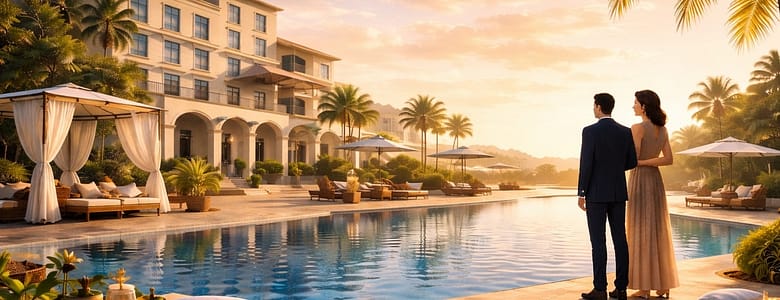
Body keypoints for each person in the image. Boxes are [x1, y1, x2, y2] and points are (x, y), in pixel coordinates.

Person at [578, 93, 637, 300]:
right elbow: (632, 162)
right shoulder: (625, 131)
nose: (593, 108)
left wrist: (581, 192)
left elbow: (586, 164)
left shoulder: (590, 131)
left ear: (599, 107)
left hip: (595, 193)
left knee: (598, 242)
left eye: (594, 105)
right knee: (620, 240)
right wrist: (614, 169)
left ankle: (600, 289)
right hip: (618, 192)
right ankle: (621, 289)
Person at [626, 90, 679, 299]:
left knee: (640, 229)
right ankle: (663, 285)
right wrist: (649, 162)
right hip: (656, 181)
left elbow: (634, 157)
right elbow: (668, 159)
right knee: (657, 230)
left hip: (640, 179)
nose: (633, 106)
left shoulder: (637, 128)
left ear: (644, 106)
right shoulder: (662, 129)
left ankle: (644, 288)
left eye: (635, 103)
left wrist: (639, 163)